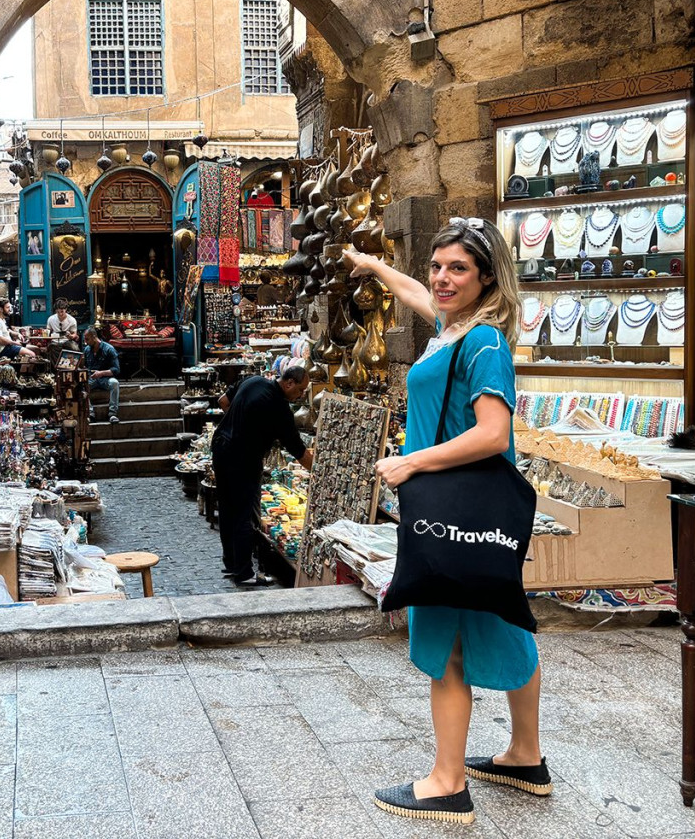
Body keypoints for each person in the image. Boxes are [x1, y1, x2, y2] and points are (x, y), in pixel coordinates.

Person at [343, 217, 548, 826]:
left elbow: (493, 434)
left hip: (451, 508)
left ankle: (446, 782)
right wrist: (375, 267)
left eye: (458, 268)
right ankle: (525, 756)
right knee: (503, 621)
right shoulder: (455, 329)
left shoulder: (482, 345)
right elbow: (416, 294)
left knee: (446, 638)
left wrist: (410, 462)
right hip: (473, 512)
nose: (441, 278)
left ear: (487, 277)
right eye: (437, 266)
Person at [211, 366, 314, 587]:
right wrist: (320, 470)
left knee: (228, 508)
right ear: (289, 383)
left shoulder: (253, 381)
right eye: (301, 390)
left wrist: (239, 424)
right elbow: (298, 451)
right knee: (245, 514)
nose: (302, 395)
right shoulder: (280, 408)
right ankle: (244, 573)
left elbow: (223, 401)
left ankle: (231, 563)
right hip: (243, 459)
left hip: (221, 448)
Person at [83, 327, 121, 424]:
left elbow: (116, 370)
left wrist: (101, 373)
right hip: (92, 378)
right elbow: (84, 366)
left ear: (94, 337)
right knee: (80, 386)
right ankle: (90, 413)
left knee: (114, 383)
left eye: (87, 339)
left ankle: (112, 414)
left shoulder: (109, 349)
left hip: (105, 378)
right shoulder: (87, 350)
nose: (85, 342)